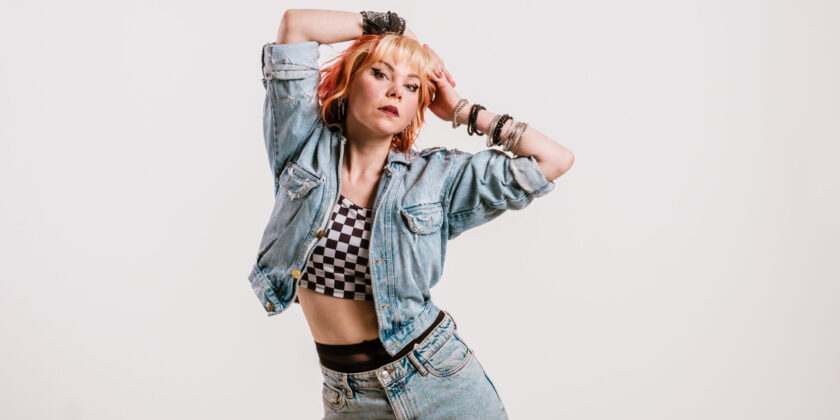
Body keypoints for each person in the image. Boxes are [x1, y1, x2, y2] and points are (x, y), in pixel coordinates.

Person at [249, 8, 574, 419]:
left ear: (419, 105)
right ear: (348, 82)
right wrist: (399, 29)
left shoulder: (435, 178)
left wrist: (463, 111)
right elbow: (296, 25)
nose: (395, 92)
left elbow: (554, 160)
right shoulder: (303, 146)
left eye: (412, 86)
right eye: (380, 74)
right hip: (348, 396)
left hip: (438, 380)